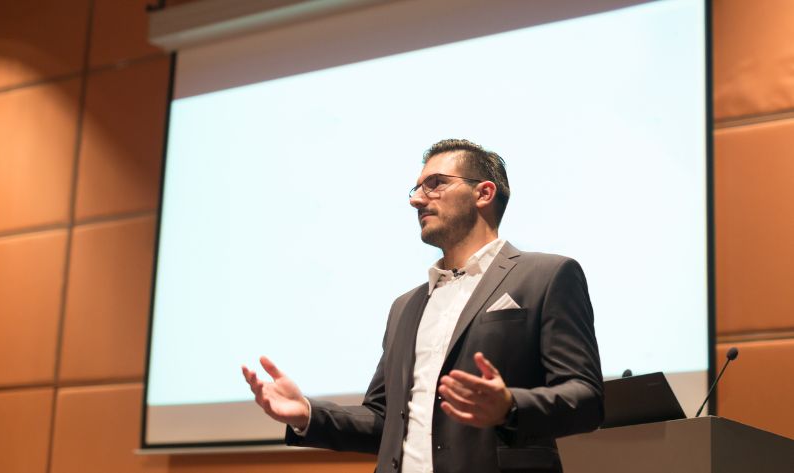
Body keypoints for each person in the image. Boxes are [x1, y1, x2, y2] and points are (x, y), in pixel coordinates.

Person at [242, 139, 603, 473]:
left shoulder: (546, 275)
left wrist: (509, 406)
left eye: (435, 184)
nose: (416, 200)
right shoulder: (405, 306)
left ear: (484, 192)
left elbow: (586, 399)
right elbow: (383, 420)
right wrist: (306, 414)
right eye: (416, 189)